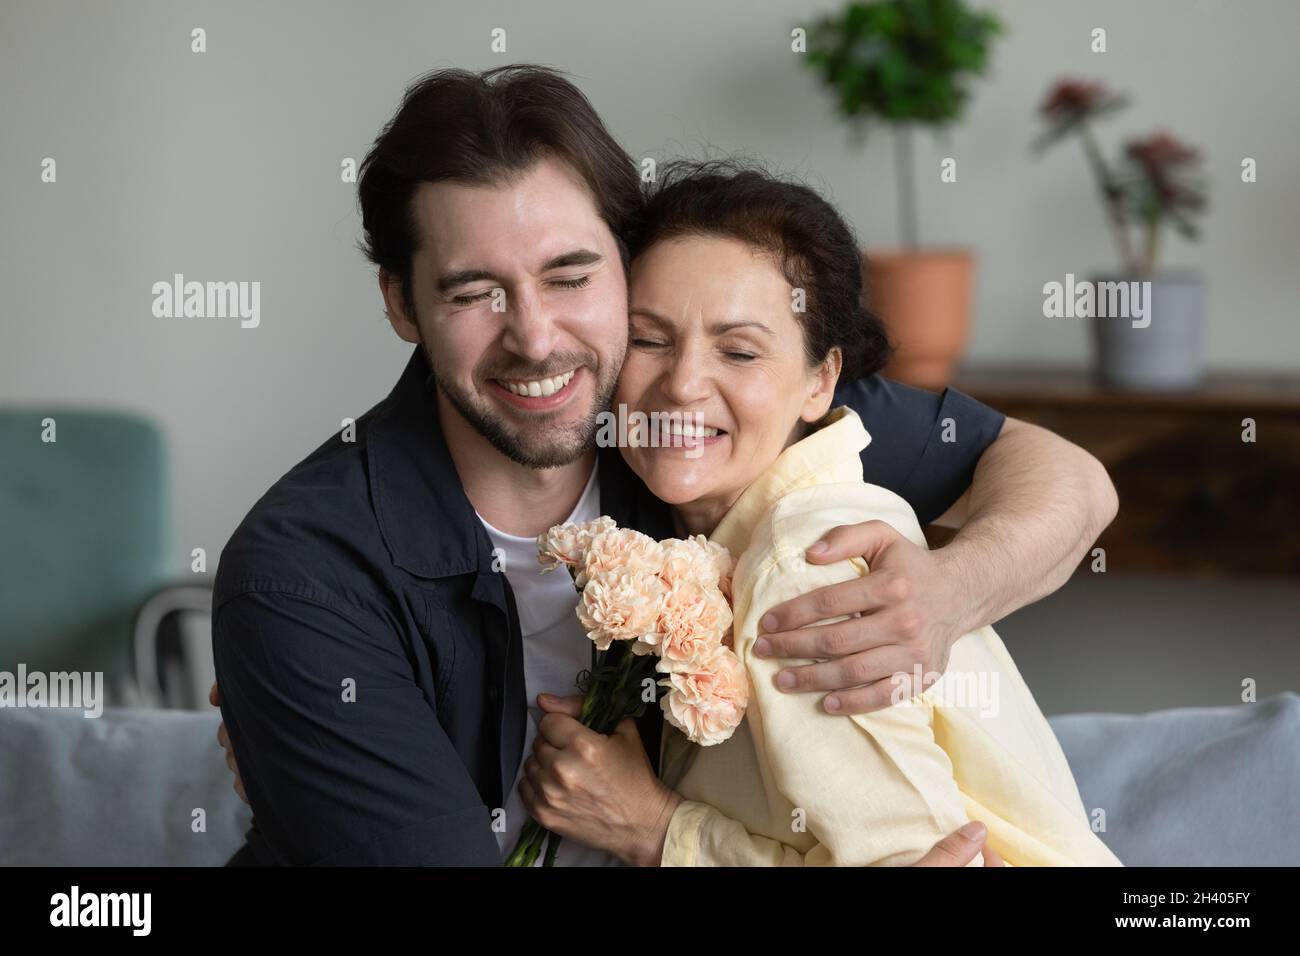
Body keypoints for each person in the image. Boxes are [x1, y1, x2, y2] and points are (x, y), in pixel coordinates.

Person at [210, 65, 1117, 865]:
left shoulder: (688, 420)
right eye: (475, 291)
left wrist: (952, 590)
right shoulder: (304, 576)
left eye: (570, 277)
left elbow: (1068, 478)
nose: (536, 340)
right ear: (402, 303)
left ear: (623, 265)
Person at [512, 162, 1122, 866]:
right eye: (649, 339)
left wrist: (658, 830)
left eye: (738, 350)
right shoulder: (714, 531)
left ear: (822, 381)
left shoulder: (805, 566)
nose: (681, 384)